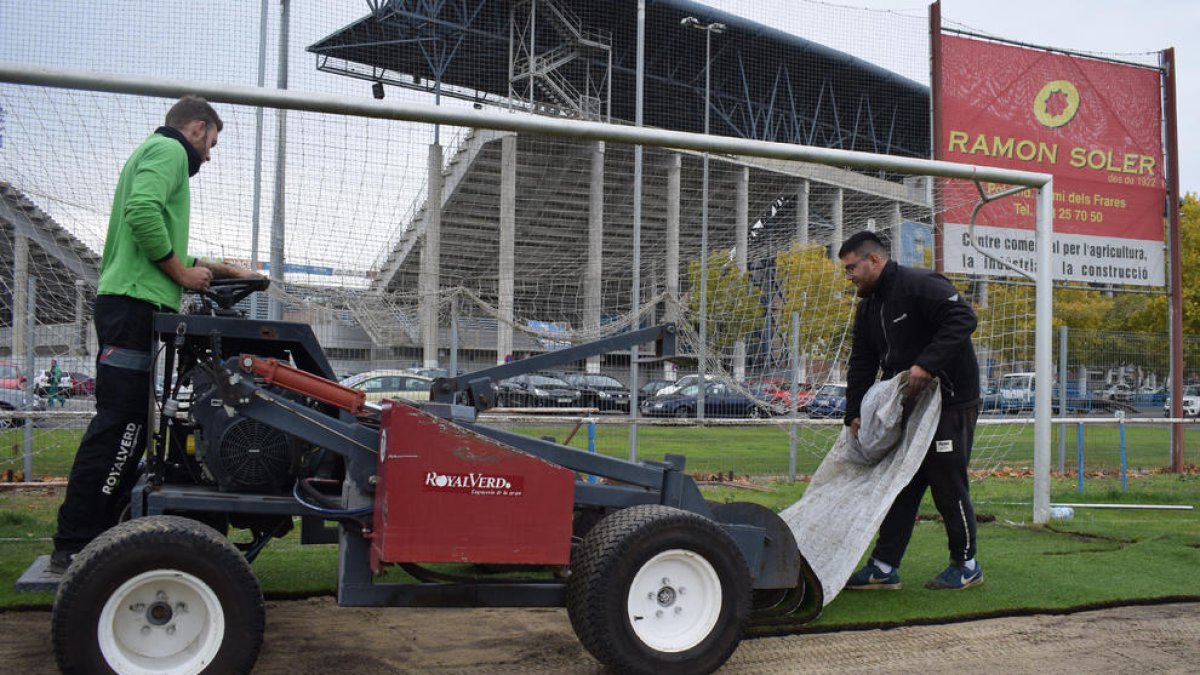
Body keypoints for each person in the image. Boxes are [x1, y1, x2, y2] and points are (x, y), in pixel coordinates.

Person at [51, 95, 261, 574]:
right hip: (131, 306)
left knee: (132, 425)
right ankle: (77, 542)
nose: (209, 156)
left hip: (135, 302)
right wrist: (181, 274)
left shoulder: (153, 154)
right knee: (122, 425)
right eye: (211, 143)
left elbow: (164, 245)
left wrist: (224, 270)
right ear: (197, 128)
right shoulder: (168, 150)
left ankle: (94, 534)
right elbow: (143, 212)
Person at [837, 231, 984, 591]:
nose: (849, 276)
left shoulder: (921, 284)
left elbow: (963, 319)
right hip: (908, 406)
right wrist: (854, 412)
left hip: (951, 400)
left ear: (874, 259)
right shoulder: (868, 308)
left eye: (852, 267)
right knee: (900, 484)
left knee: (947, 480)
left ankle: (967, 565)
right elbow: (862, 361)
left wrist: (927, 364)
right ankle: (883, 567)